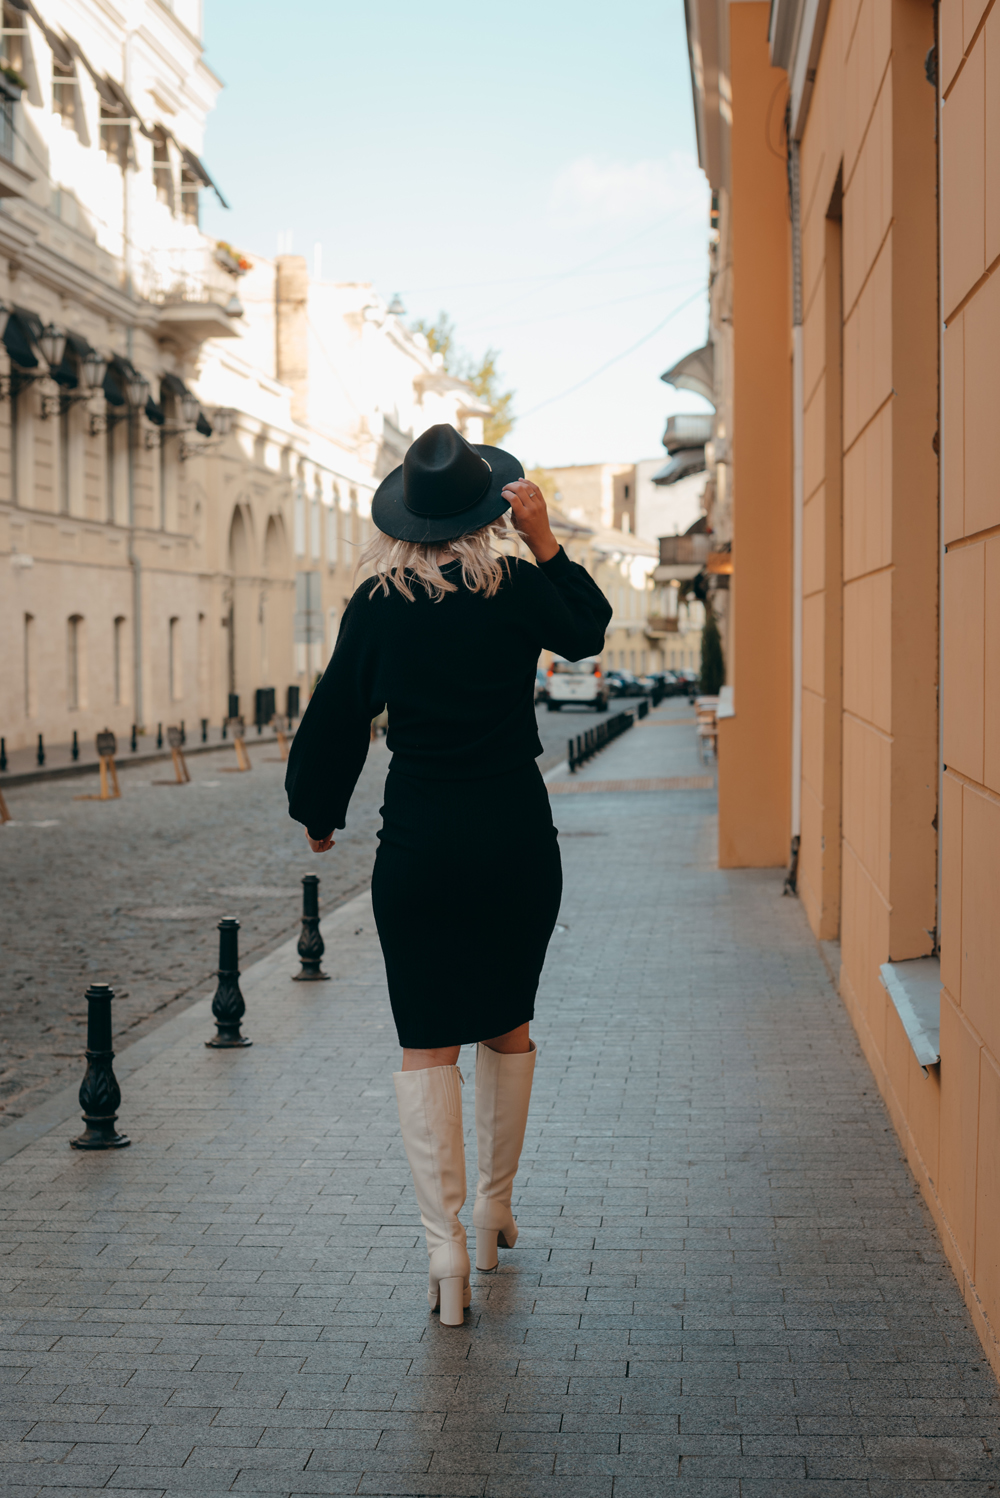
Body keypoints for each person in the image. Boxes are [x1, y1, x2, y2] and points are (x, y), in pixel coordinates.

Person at [285, 423, 612, 1324]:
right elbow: (587, 631)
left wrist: (320, 811)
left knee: (425, 1037)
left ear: (407, 520)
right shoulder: (515, 587)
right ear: (486, 509)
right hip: (514, 840)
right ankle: (496, 1205)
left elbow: (337, 714)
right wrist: (545, 539)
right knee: (507, 1021)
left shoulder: (377, 604)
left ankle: (446, 1255)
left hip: (421, 848)